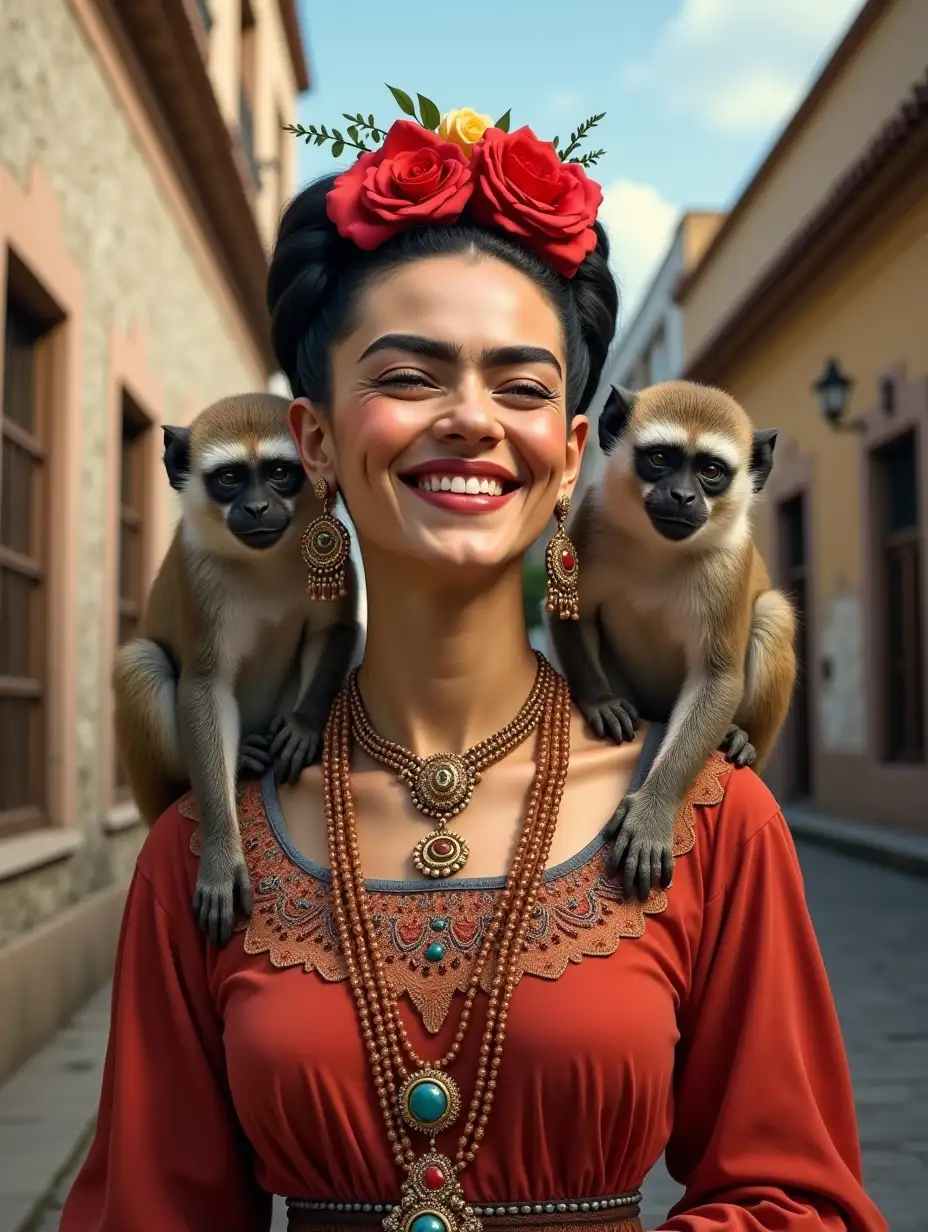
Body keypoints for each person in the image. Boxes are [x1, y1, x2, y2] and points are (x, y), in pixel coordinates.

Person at [61, 106, 887, 1232]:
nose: (468, 420)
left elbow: (797, 1196)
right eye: (408, 374)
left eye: (521, 385)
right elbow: (147, 1208)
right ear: (313, 441)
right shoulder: (204, 849)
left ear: (571, 455)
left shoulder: (713, 821)